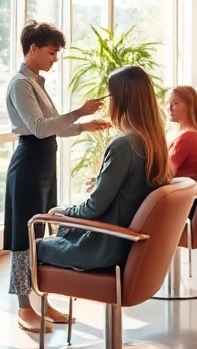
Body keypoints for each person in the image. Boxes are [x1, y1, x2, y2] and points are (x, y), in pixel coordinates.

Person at [4, 21, 110, 333]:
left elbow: (51, 126)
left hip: (42, 165)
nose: (55, 58)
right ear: (33, 49)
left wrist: (83, 126)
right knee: (24, 238)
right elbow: (38, 127)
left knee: (42, 234)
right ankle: (24, 307)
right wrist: (79, 113)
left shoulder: (36, 82)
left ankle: (43, 301)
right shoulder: (20, 85)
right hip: (28, 167)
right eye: (51, 52)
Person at [38, 65, 174, 272]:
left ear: (121, 99)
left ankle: (29, 305)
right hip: (129, 243)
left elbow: (94, 208)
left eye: (111, 97)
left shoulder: (124, 144)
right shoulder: (154, 142)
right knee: (63, 227)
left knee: (31, 246)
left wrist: (65, 211)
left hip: (107, 248)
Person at [165, 86, 197, 181]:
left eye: (175, 103)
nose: (169, 108)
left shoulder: (188, 137)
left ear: (190, 106)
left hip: (173, 192)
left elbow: (164, 174)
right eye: (167, 103)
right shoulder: (179, 134)